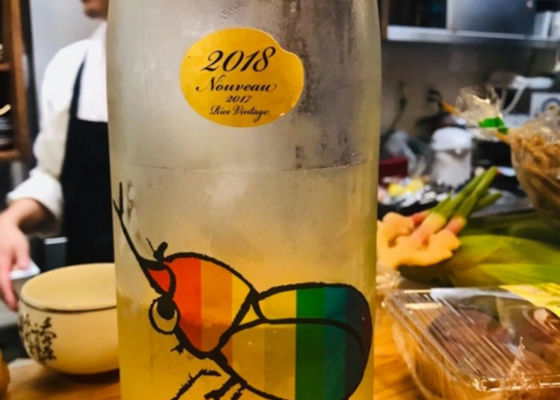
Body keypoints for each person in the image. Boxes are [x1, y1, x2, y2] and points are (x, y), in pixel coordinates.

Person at [0, 0, 111, 310]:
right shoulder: (71, 66)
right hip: (85, 301)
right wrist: (10, 220)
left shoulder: (211, 69)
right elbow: (53, 177)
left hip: (188, 296)